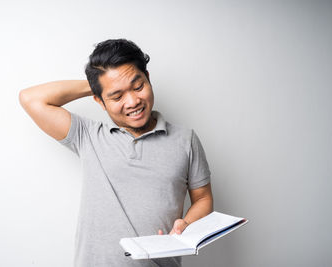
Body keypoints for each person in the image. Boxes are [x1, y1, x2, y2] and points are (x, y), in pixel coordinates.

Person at [19, 39, 213, 267]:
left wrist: (187, 223)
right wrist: (100, 83)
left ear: (148, 78)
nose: (132, 101)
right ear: (100, 101)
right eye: (117, 96)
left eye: (138, 86)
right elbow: (31, 99)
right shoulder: (88, 136)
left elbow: (203, 198)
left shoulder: (185, 140)